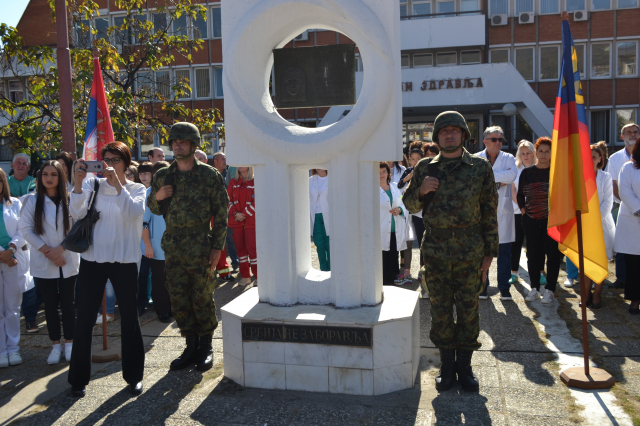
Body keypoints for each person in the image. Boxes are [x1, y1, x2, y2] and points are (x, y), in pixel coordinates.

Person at [403, 111, 498, 392]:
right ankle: (446, 365)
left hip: (470, 251)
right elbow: (410, 205)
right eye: (444, 131)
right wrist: (420, 191)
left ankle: (465, 366)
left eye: (455, 130)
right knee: (441, 310)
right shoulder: (424, 168)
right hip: (435, 252)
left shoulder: (480, 168)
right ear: (436, 136)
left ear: (464, 135)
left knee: (469, 310)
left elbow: (489, 211)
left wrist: (489, 252)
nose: (450, 135)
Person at [148, 122, 228, 372]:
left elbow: (222, 213)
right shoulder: (163, 175)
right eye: (174, 142)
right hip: (173, 248)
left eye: (182, 142)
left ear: (193, 145)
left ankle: (206, 346)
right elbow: (153, 207)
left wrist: (217, 247)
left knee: (202, 297)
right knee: (179, 298)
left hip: (200, 246)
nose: (177, 145)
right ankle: (190, 345)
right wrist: (157, 196)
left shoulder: (208, 175)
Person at [68, 142, 147, 397]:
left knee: (130, 321)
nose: (110, 165)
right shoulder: (93, 186)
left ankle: (134, 376)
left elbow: (132, 212)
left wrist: (118, 185)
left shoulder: (136, 189)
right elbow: (76, 213)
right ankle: (78, 379)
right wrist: (78, 183)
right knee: (85, 321)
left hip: (124, 261)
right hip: (93, 260)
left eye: (115, 160)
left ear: (126, 162)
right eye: (106, 160)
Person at [21, 160, 80, 364]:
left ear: (61, 177)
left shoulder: (71, 198)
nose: (49, 178)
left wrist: (60, 250)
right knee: (50, 305)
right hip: (44, 259)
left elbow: (78, 228)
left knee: (68, 304)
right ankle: (55, 345)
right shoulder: (31, 200)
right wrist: (48, 251)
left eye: (53, 174)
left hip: (67, 258)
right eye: (45, 174)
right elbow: (26, 230)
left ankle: (70, 344)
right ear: (40, 177)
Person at [568, 143, 615, 309]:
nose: (590, 159)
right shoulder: (578, 178)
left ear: (600, 159)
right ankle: (586, 293)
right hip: (583, 226)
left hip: (601, 226)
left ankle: (597, 294)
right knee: (585, 263)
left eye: (594, 156)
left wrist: (593, 221)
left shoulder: (606, 178)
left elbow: (608, 203)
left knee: (600, 262)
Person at [517, 137, 563, 304]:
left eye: (547, 151)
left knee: (552, 255)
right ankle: (534, 288)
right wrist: (524, 212)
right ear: (536, 153)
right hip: (531, 221)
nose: (544, 155)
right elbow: (520, 195)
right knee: (533, 255)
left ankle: (550, 290)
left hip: (552, 222)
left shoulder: (556, 173)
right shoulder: (527, 172)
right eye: (541, 151)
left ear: (552, 154)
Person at [477, 126, 517, 301]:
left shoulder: (508, 157)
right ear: (485, 141)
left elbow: (511, 176)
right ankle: (483, 287)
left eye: (501, 139)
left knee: (504, 254)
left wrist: (488, 178)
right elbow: (475, 179)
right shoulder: (476, 158)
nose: (498, 142)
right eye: (494, 139)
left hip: (503, 212)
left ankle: (504, 288)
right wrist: (498, 180)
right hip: (482, 213)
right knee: (481, 252)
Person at [0, 169, 32, 368]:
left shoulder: (15, 203)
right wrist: (2, 255)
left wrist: (10, 250)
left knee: (12, 308)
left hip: (13, 260)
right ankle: (1, 351)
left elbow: (23, 230)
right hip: (5, 258)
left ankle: (13, 348)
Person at [606, 123, 639, 289]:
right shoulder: (615, 158)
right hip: (621, 206)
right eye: (629, 132)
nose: (632, 135)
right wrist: (629, 203)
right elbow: (613, 184)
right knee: (621, 244)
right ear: (622, 136)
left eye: (635, 132)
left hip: (633, 206)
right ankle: (621, 278)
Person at [9, 153, 39, 333]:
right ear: (12, 165)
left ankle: (30, 319)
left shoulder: (35, 182)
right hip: (8, 238)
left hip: (29, 238)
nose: (21, 165)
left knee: (28, 282)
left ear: (29, 166)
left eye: (24, 163)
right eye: (18, 163)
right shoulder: (5, 182)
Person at [140, 161, 173, 322]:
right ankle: (162, 311)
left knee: (174, 280)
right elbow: (143, 223)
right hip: (157, 247)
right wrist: (148, 246)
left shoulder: (176, 192)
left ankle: (172, 308)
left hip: (175, 248)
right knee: (159, 281)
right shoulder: (149, 193)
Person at [614, 140, 640, 315]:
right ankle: (634, 300)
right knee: (634, 265)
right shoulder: (628, 168)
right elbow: (624, 191)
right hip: (633, 220)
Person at [397, 142, 426, 283]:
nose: (415, 162)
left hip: (422, 212)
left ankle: (422, 270)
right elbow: (399, 185)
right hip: (409, 212)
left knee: (422, 242)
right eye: (412, 159)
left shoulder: (426, 171)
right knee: (408, 241)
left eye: (418, 159)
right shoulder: (408, 170)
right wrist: (407, 178)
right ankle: (406, 272)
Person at [510, 140, 536, 284]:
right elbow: (513, 191)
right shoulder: (516, 169)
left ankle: (539, 272)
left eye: (528, 153)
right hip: (518, 211)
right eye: (523, 153)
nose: (525, 156)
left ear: (533, 154)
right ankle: (514, 272)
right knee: (516, 242)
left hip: (536, 212)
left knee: (535, 244)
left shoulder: (539, 168)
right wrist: (523, 207)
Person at [380, 162, 408, 285]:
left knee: (393, 255)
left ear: (388, 173)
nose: (381, 175)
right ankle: (383, 282)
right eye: (379, 172)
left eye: (384, 172)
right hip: (381, 228)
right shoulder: (372, 190)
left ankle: (393, 280)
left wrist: (400, 210)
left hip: (394, 227)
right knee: (383, 256)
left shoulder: (395, 187)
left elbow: (402, 203)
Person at [228, 167, 257, 286]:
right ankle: (245, 276)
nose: (240, 165)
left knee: (253, 249)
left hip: (250, 222)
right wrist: (235, 214)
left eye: (243, 162)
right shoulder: (233, 182)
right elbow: (228, 200)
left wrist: (243, 214)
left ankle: (258, 276)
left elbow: (258, 201)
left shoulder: (255, 181)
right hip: (236, 221)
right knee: (240, 249)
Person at [213, 152, 239, 272]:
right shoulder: (211, 176)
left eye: (226, 159)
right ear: (215, 162)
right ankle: (221, 268)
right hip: (216, 213)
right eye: (223, 159)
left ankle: (236, 263)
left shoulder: (229, 173)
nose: (225, 161)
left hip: (230, 210)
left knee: (232, 238)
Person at [310, 169, 330, 271]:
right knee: (319, 245)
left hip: (329, 216)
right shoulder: (310, 181)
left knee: (329, 244)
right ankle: (323, 270)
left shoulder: (332, 179)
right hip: (315, 216)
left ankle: (332, 270)